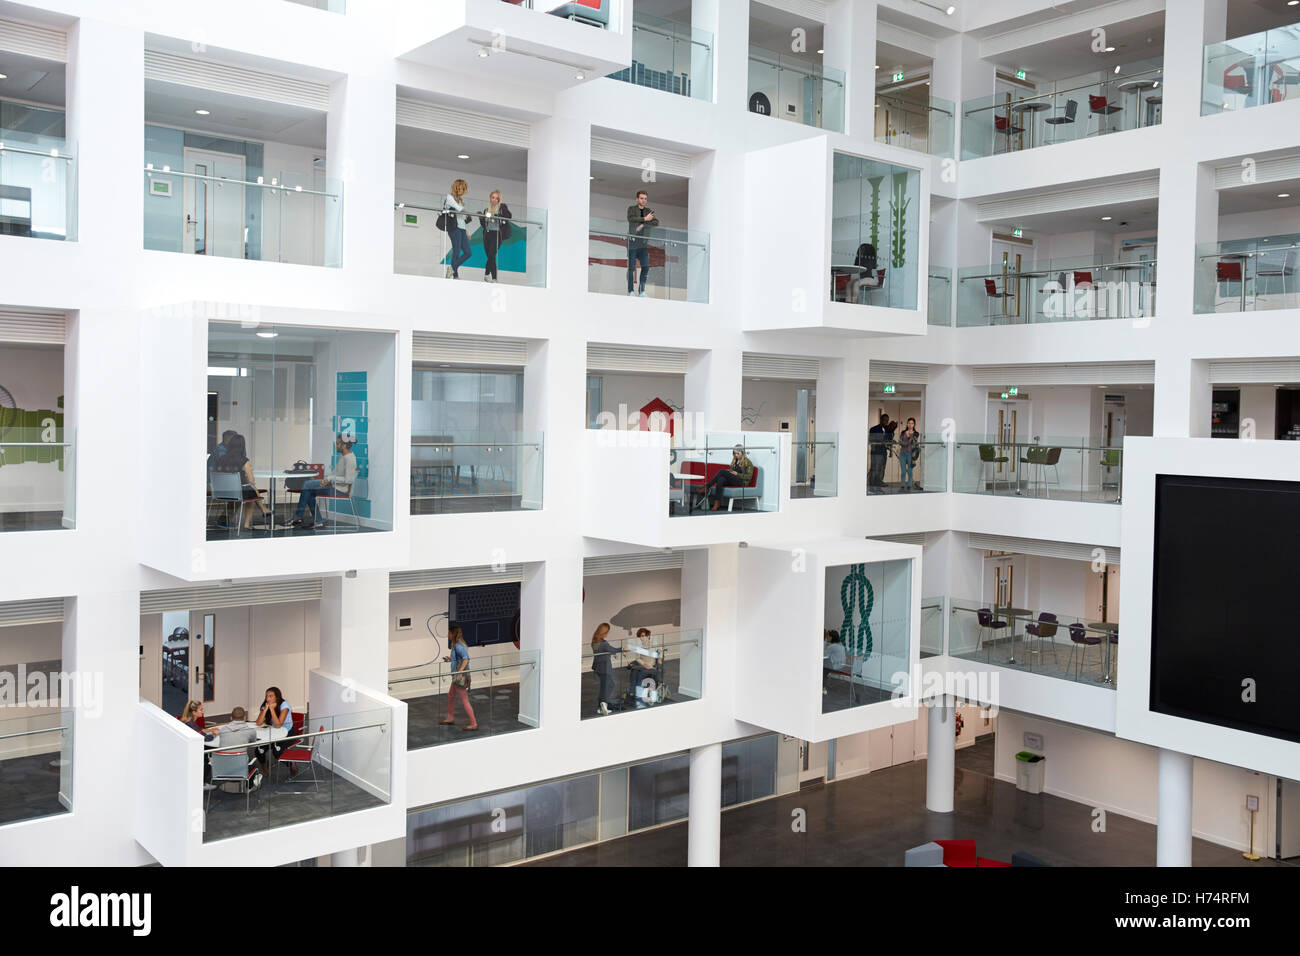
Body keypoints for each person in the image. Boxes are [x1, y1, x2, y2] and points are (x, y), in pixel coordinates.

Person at [292, 434, 357, 531]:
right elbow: (335, 474)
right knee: (308, 490)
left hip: (340, 490)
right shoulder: (343, 456)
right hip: (333, 486)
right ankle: (317, 521)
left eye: (338, 444)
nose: (336, 446)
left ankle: (299, 516)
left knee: (307, 485)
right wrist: (325, 480)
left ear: (344, 446)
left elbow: (349, 480)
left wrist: (330, 478)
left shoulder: (350, 459)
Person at [214, 433, 271, 531]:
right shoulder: (244, 460)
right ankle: (248, 523)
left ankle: (263, 509)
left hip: (221, 491)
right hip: (237, 492)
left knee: (249, 490)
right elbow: (252, 480)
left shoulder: (221, 459)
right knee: (251, 491)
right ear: (242, 446)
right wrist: (247, 473)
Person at [440, 625, 478, 730]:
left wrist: (460, 672)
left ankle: (473, 723)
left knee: (464, 699)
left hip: (459, 677)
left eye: (449, 633)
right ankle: (450, 718)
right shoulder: (457, 645)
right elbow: (460, 659)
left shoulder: (458, 646)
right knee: (451, 695)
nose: (448, 635)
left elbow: (466, 659)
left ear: (453, 634)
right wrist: (450, 659)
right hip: (457, 676)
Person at [697, 444, 755, 512]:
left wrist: (737, 474)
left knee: (721, 471)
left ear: (742, 452)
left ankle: (707, 486)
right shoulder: (735, 461)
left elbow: (748, 477)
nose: (736, 455)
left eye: (738, 453)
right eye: (734, 453)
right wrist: (729, 471)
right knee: (721, 480)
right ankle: (717, 503)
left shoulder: (748, 462)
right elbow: (732, 471)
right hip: (734, 480)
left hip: (741, 482)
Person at [477, 189, 512, 283]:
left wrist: (501, 209)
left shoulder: (501, 209)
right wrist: (481, 218)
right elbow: (484, 225)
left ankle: (494, 278)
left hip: (497, 235)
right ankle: (487, 274)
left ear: (499, 200)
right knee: (489, 256)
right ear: (490, 198)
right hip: (487, 235)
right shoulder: (486, 210)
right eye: (493, 197)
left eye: (497, 198)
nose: (494, 200)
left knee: (492, 255)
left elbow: (509, 216)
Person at [255, 686, 294, 769]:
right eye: (266, 696)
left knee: (277, 753)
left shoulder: (284, 705)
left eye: (270, 696)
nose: (267, 698)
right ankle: (265, 767)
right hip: (273, 732)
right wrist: (265, 709)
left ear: (277, 697)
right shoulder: (265, 705)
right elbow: (258, 723)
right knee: (258, 750)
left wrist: (272, 709)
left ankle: (291, 764)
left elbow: (278, 725)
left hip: (287, 733)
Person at [626, 189, 655, 297]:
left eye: (645, 199)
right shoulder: (632, 209)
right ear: (637, 199)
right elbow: (631, 219)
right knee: (631, 267)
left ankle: (642, 290)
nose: (643, 200)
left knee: (646, 266)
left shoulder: (649, 211)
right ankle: (630, 291)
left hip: (643, 244)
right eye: (641, 198)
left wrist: (643, 224)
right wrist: (645, 218)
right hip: (633, 242)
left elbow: (656, 222)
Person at [443, 178, 474, 279]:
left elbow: (461, 218)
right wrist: (467, 212)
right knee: (456, 251)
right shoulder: (449, 197)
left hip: (462, 228)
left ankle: (452, 268)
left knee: (468, 252)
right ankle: (455, 276)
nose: (463, 191)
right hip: (454, 228)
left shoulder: (460, 200)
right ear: (456, 187)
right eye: (462, 188)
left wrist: (466, 232)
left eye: (464, 189)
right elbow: (458, 208)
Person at [590, 623, 622, 716]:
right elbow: (612, 650)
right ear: (603, 632)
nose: (607, 634)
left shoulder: (595, 641)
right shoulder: (604, 643)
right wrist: (622, 649)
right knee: (609, 686)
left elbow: (603, 652)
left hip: (598, 667)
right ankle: (604, 705)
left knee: (605, 687)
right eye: (607, 632)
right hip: (605, 668)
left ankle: (600, 707)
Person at [868, 412, 891, 489]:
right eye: (885, 420)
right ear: (881, 420)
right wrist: (881, 441)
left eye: (887, 421)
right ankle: (872, 482)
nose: (886, 422)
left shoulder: (887, 429)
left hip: (884, 451)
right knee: (875, 467)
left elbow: (889, 439)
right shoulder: (873, 429)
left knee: (882, 467)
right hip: (876, 452)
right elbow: (871, 439)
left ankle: (879, 481)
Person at [898, 417, 921, 491]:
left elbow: (911, 442)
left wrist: (906, 440)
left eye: (912, 423)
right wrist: (905, 443)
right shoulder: (903, 432)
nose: (910, 425)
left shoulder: (916, 433)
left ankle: (909, 485)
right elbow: (900, 442)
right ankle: (902, 485)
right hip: (902, 453)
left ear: (914, 424)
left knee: (910, 471)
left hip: (911, 454)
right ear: (907, 424)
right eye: (909, 423)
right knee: (903, 471)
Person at [822, 630, 846, 695]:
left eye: (827, 636)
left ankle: (822, 688)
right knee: (824, 667)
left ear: (831, 637)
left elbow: (823, 654)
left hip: (835, 666)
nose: (826, 637)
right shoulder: (840, 645)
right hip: (841, 666)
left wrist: (825, 641)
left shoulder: (833, 646)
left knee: (821, 670)